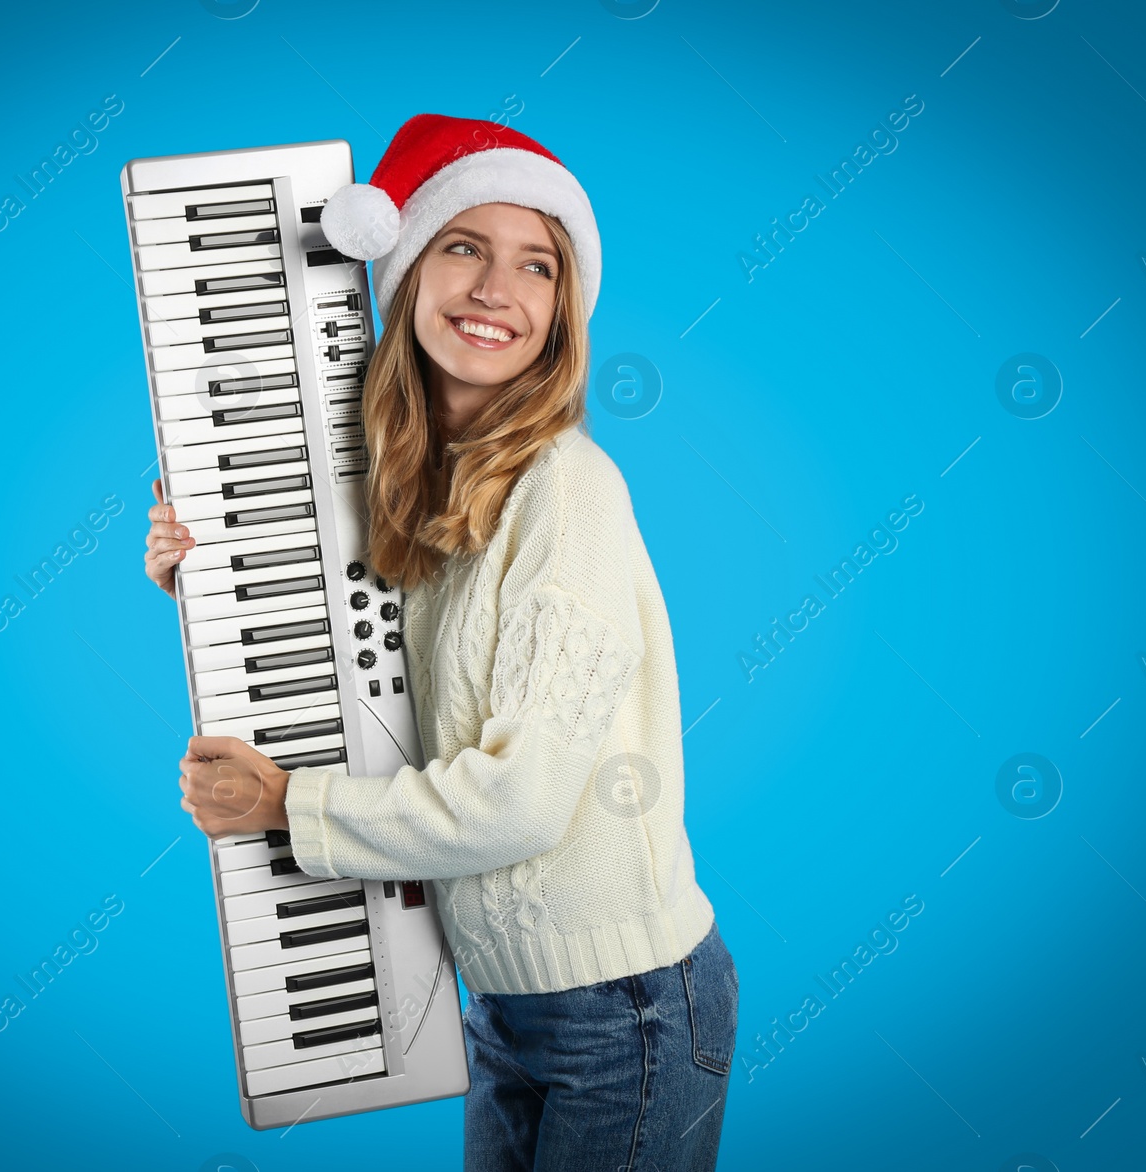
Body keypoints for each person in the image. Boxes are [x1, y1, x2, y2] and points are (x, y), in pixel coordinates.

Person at [143, 113, 738, 1171]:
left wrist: (289, 803)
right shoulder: (419, 483)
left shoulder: (568, 493)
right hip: (506, 994)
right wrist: (212, 570)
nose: (494, 290)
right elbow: (364, 676)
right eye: (463, 246)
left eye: (535, 265)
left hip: (627, 1009)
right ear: (407, 269)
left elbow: (519, 799)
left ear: (562, 310)